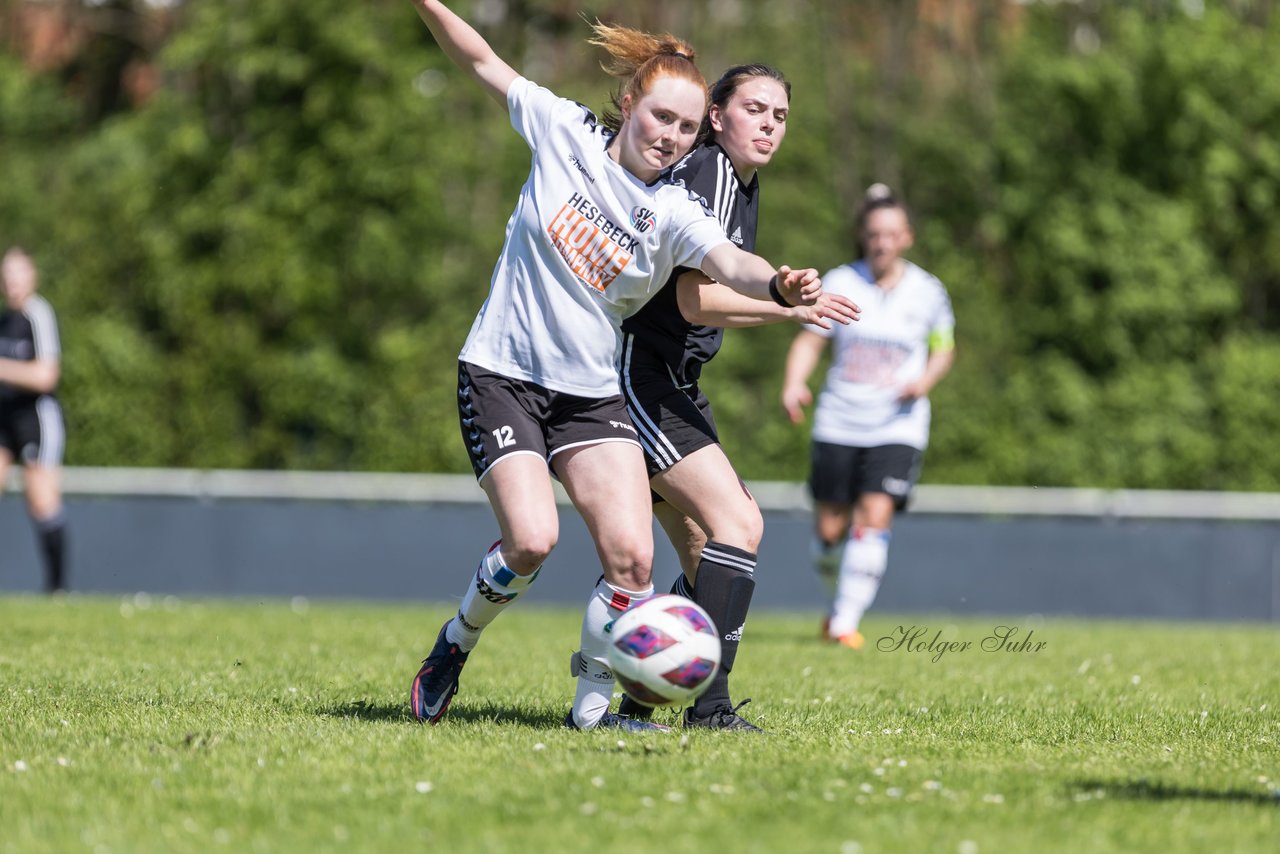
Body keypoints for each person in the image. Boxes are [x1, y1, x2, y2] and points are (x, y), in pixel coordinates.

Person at [405, 1, 827, 732]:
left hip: (591, 398)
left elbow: (729, 261)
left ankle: (595, 718)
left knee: (633, 559)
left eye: (686, 128)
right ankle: (456, 641)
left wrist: (780, 286)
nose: (670, 136)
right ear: (629, 104)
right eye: (661, 117)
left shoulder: (674, 210)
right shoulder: (563, 131)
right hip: (502, 377)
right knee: (532, 542)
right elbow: (479, 59)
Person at [614, 65, 859, 731]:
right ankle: (709, 709)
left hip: (671, 382)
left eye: (780, 115)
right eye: (755, 109)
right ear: (717, 116)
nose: (770, 124)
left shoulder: (741, 184)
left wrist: (782, 303)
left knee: (705, 553)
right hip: (639, 374)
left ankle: (640, 706)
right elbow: (693, 301)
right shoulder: (712, 173)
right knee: (739, 526)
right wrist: (787, 311)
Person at [781, 185, 955, 649]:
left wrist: (926, 381)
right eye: (875, 234)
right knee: (829, 532)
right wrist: (794, 382)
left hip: (898, 422)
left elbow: (943, 349)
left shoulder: (929, 291)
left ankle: (844, 624)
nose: (882, 242)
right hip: (839, 419)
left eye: (892, 234)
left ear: (907, 238)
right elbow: (809, 340)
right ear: (863, 236)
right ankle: (837, 606)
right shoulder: (841, 280)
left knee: (876, 513)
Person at [0, 247, 69, 594]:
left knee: (41, 499)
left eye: (18, 273)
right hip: (4, 417)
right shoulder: (4, 320)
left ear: (32, 276)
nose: (11, 281)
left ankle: (56, 588)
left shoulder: (38, 314)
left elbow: (46, 376)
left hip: (35, 417)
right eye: (6, 274)